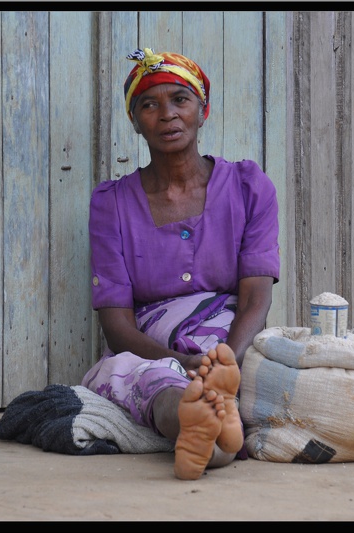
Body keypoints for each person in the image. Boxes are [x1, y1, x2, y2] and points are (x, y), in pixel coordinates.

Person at [82, 48, 280, 480]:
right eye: (149, 105)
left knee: (278, 373)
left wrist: (224, 360)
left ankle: (206, 421)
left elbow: (255, 301)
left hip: (231, 341)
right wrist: (182, 364)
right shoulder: (111, 205)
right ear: (136, 123)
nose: (167, 115)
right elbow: (116, 326)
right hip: (149, 349)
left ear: (203, 110)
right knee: (135, 375)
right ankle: (195, 419)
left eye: (180, 100)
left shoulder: (249, 187)